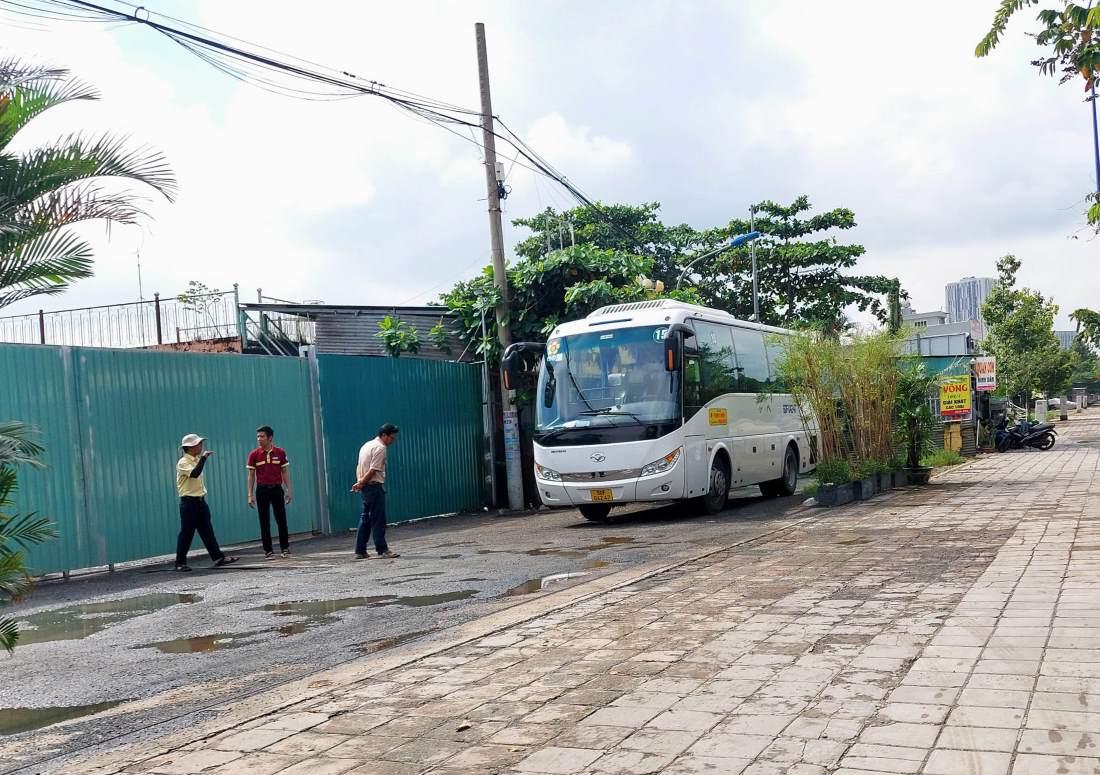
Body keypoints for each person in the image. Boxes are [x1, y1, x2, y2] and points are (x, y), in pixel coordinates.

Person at [175, 434, 237, 572]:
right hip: (189, 502)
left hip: (200, 501)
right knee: (187, 533)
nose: (201, 446)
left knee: (207, 531)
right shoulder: (183, 462)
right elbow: (195, 474)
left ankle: (218, 557)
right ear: (190, 447)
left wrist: (201, 459)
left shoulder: (196, 459)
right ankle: (180, 562)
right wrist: (203, 458)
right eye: (198, 444)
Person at [352, 423, 400, 560]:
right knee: (378, 519)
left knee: (366, 518)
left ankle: (360, 550)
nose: (392, 440)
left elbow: (360, 466)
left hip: (366, 487)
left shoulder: (367, 445)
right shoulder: (380, 448)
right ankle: (382, 549)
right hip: (373, 486)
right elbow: (373, 469)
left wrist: (360, 482)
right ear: (384, 435)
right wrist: (361, 482)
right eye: (391, 437)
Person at [246, 425, 293, 559]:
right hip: (262, 490)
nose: (259, 439)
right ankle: (268, 550)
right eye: (257, 436)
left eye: (262, 436)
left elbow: (284, 471)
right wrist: (250, 494)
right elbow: (251, 475)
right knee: (264, 520)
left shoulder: (280, 452)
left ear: (270, 437)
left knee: (281, 519)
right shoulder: (254, 454)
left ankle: (285, 548)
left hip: (277, 489)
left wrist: (288, 489)